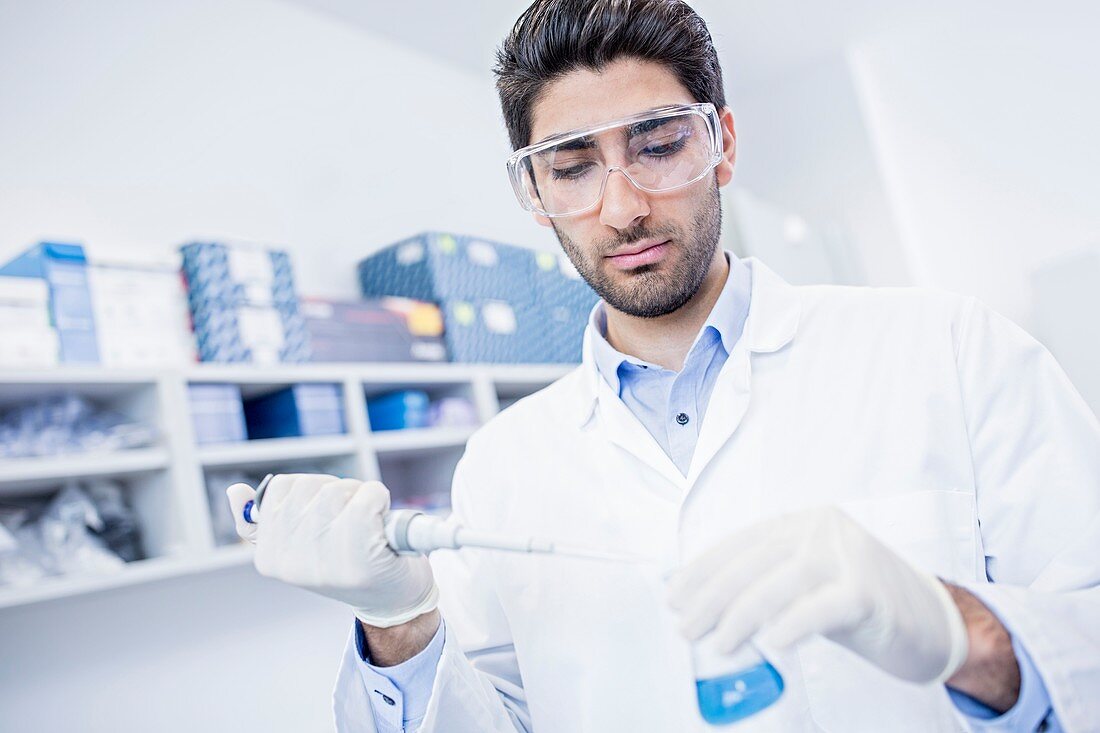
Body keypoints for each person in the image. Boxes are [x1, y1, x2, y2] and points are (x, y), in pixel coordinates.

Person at [226, 1, 1100, 730]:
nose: (622, 207)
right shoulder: (503, 462)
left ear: (720, 141)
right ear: (534, 195)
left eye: (657, 145)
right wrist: (400, 627)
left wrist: (960, 631)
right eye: (571, 167)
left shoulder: (948, 349)